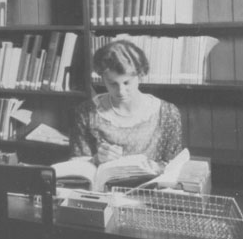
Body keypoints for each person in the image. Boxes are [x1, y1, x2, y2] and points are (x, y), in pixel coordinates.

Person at [70, 39, 183, 171]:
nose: (120, 91)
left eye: (126, 83)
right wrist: (96, 159)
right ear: (102, 79)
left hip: (151, 189)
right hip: (103, 189)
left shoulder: (167, 113)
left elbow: (176, 166)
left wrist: (157, 167)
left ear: (140, 76)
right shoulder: (86, 112)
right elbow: (77, 166)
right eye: (112, 83)